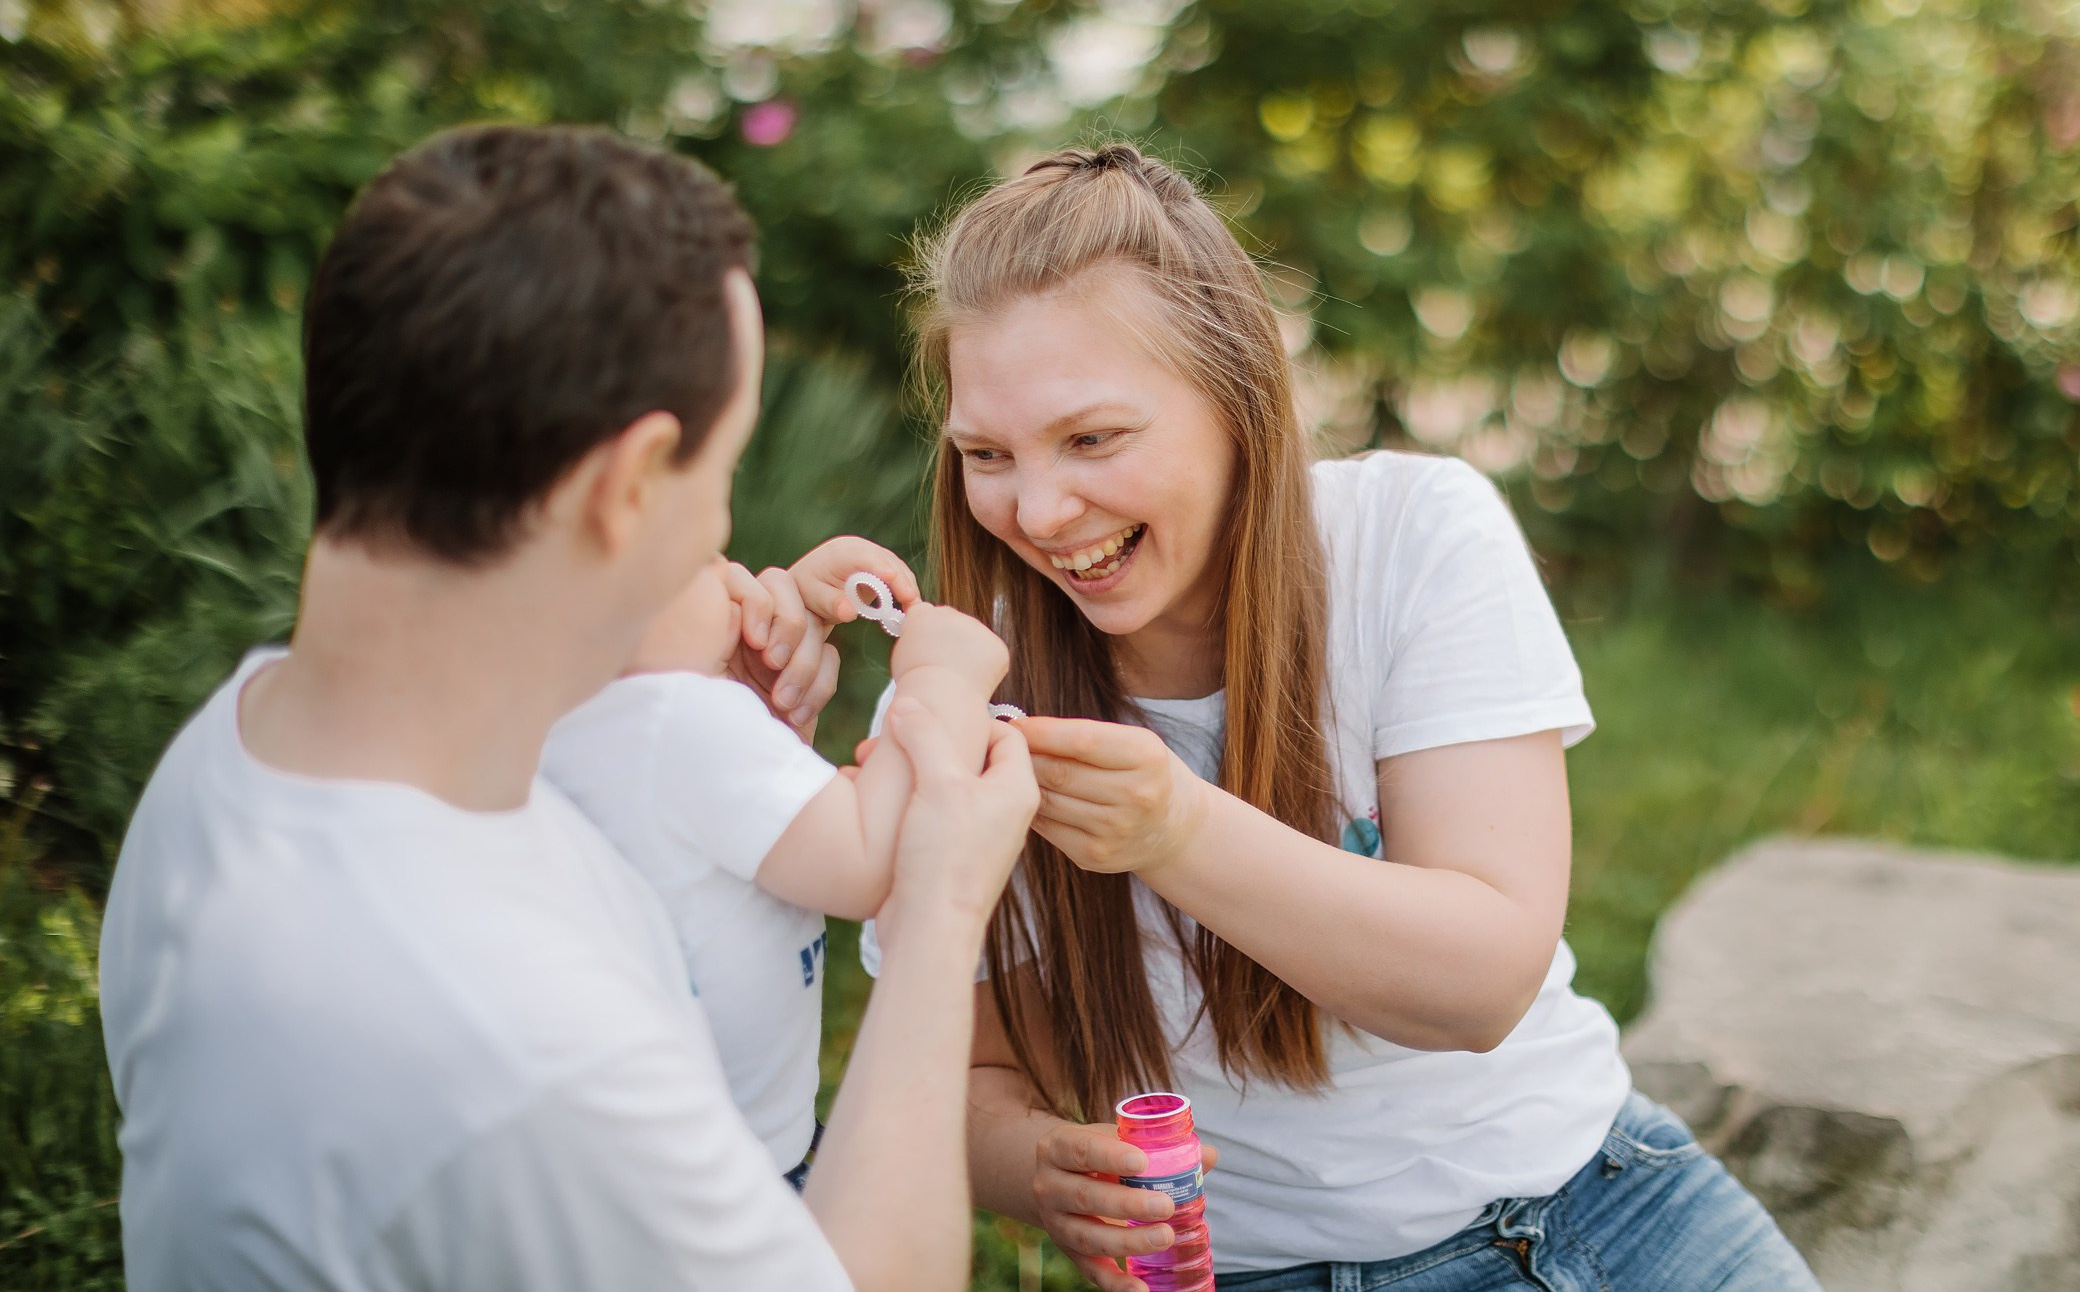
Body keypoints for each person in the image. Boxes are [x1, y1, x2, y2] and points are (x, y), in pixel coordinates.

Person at [773, 146, 1821, 1292]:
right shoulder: (973, 688)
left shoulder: (1413, 536)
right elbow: (970, 1078)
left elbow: (1482, 982)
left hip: (1601, 1219)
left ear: (1236, 399)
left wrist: (1175, 832)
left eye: (1092, 439)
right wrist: (1040, 1169)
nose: (1037, 508)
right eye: (987, 455)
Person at [98, 125, 1036, 1291]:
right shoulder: (527, 1051)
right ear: (628, 486)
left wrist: (698, 697)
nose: (725, 536)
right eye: (723, 472)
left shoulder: (233, 758)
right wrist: (943, 904)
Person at [542, 544, 996, 1186]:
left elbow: (756, 835)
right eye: (702, 556)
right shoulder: (677, 716)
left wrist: (761, 713)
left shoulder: (568, 723)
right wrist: (942, 682)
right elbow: (870, 862)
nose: (735, 577)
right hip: (739, 1181)